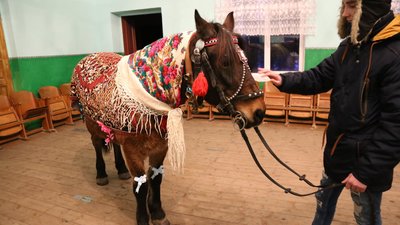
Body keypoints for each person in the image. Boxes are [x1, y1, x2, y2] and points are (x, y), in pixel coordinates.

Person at [258, 0, 400, 224]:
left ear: (369, 8)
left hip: (367, 164)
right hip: (337, 153)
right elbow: (318, 76)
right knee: (322, 206)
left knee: (367, 219)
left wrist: (366, 171)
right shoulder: (349, 47)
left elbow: (396, 126)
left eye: (351, 7)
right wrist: (284, 79)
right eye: (343, 7)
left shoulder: (394, 54)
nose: (345, 14)